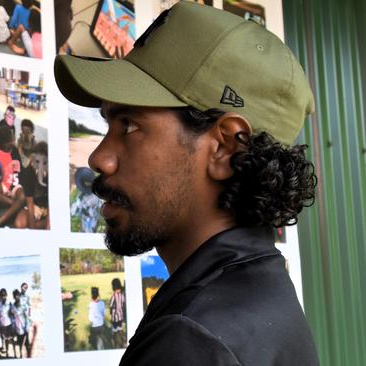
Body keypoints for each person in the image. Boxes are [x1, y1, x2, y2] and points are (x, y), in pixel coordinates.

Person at [54, 2, 319, 364]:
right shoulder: (261, 289)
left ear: (226, 148)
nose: (99, 158)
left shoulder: (190, 337)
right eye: (107, 127)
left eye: (129, 126)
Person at [0, 125, 26, 228]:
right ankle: (14, 205)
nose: (11, 146)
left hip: (15, 185)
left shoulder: (15, 151)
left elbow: (19, 175)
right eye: (8, 145)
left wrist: (15, 187)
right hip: (2, 185)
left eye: (11, 143)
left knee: (22, 196)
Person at [19, 141, 49, 229]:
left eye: (44, 163)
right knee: (19, 223)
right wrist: (33, 229)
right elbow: (29, 201)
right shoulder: (28, 173)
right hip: (35, 206)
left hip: (48, 208)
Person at [109, 278, 126, 348]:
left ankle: (116, 343)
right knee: (120, 328)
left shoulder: (113, 296)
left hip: (114, 317)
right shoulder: (122, 295)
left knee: (114, 330)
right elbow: (123, 304)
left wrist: (111, 311)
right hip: (120, 316)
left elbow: (110, 305)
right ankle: (123, 342)